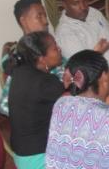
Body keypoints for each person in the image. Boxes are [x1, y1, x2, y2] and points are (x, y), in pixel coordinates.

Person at [0, 0, 65, 116]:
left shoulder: (49, 46)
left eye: (45, 15)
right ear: (23, 21)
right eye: (39, 16)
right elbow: (5, 107)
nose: (46, 21)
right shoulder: (18, 58)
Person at [8, 31, 65, 169]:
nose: (59, 49)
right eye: (54, 48)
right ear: (41, 58)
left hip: (22, 157)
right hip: (41, 160)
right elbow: (85, 104)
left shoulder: (20, 71)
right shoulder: (44, 82)